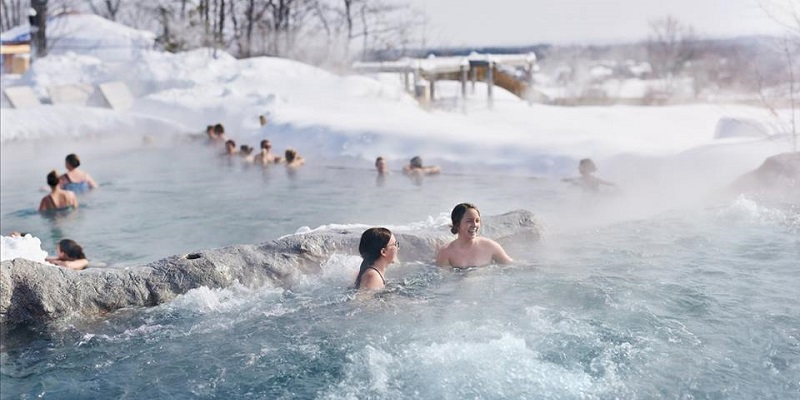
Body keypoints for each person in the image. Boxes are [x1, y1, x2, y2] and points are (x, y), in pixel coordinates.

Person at [436, 203, 513, 268]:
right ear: (457, 224)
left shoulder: (490, 246)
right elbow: (444, 281)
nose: (474, 225)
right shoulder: (446, 253)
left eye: (477, 221)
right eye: (469, 221)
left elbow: (511, 266)